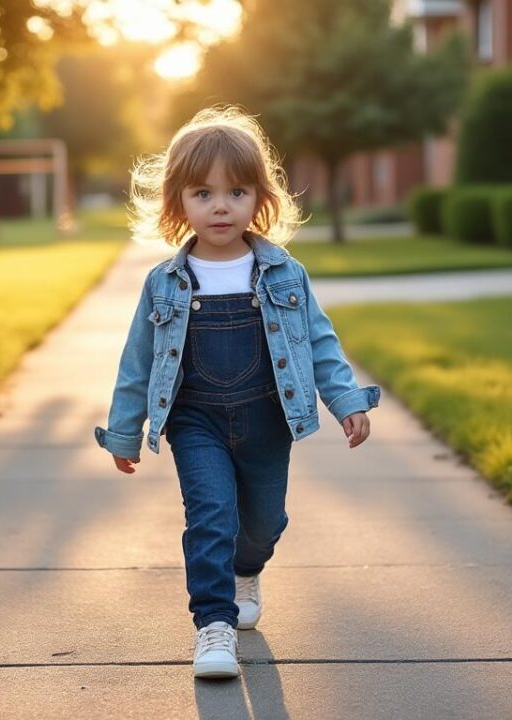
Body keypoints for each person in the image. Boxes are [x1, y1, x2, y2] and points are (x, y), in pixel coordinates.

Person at [93, 106, 380, 680]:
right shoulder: (165, 282)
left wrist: (345, 397)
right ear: (178, 202)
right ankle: (213, 627)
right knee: (210, 516)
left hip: (268, 416)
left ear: (259, 199)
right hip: (194, 418)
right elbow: (138, 363)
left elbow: (318, 341)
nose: (220, 206)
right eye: (203, 192)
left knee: (263, 523)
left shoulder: (282, 273)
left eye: (236, 191)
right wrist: (125, 431)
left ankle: (246, 568)